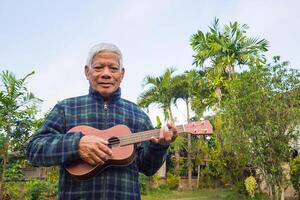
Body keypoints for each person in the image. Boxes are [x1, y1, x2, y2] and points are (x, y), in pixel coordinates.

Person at [26, 42, 177, 200]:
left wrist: (159, 146)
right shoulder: (66, 108)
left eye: (113, 68)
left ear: (122, 74)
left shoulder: (138, 114)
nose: (106, 74)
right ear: (87, 71)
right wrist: (76, 145)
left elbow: (148, 168)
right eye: (99, 67)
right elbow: (33, 150)